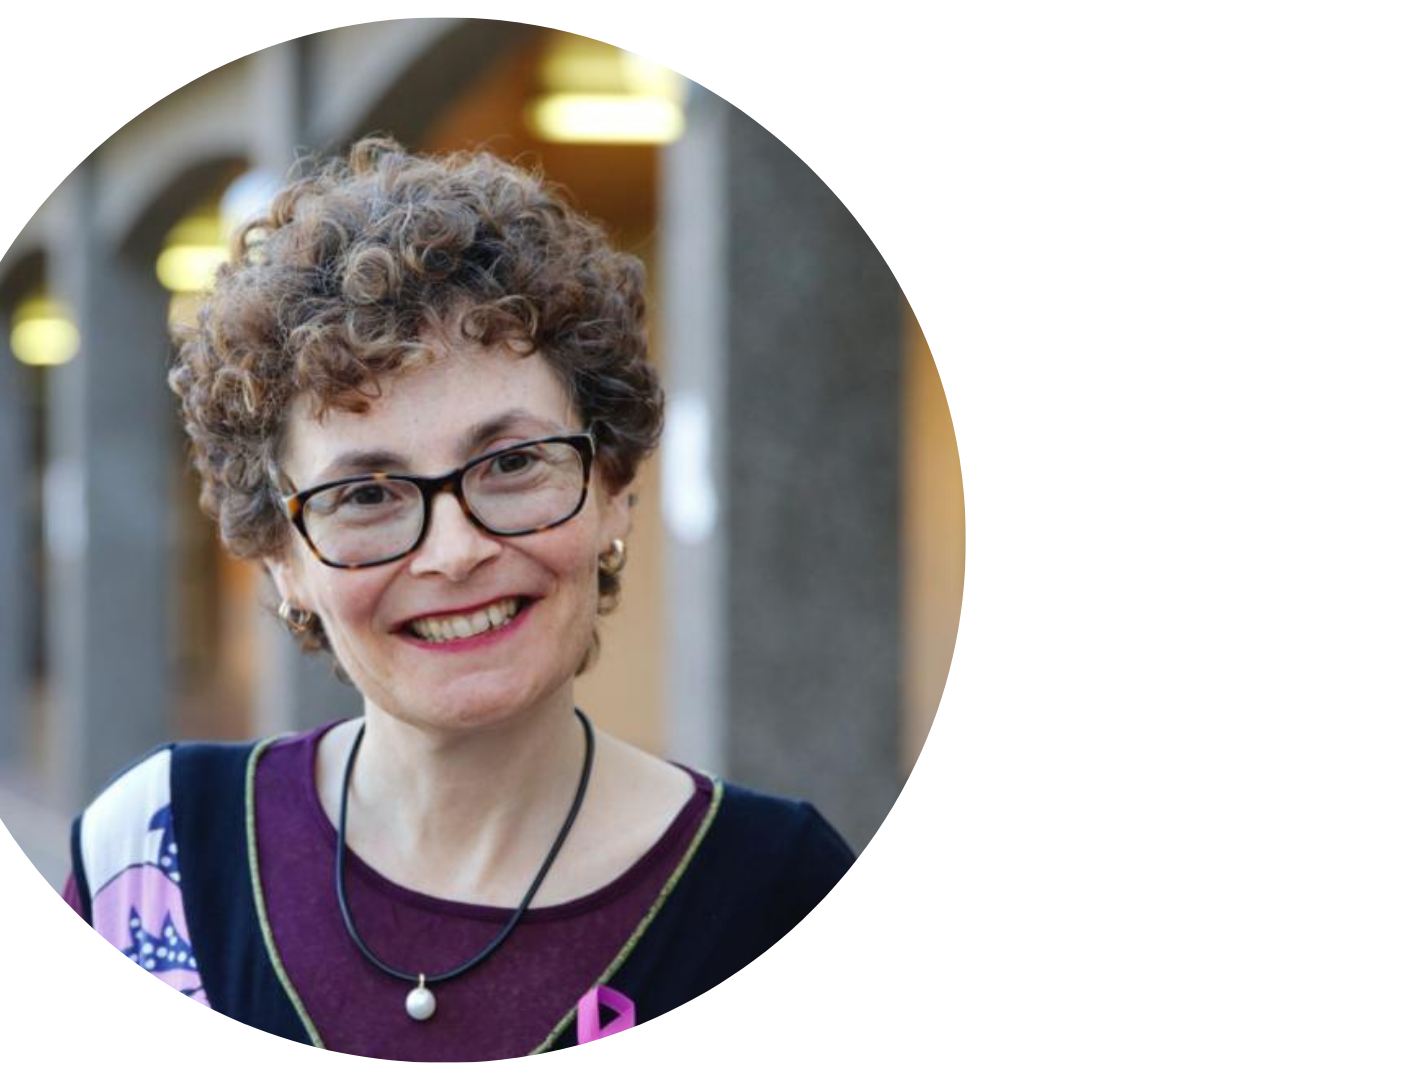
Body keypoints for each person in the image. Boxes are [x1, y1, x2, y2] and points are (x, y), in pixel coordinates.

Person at [63, 137, 854, 1059]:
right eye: (366, 494)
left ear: (613, 487)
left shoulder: (776, 891)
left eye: (512, 464)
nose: (455, 552)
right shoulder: (151, 859)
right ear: (282, 559)